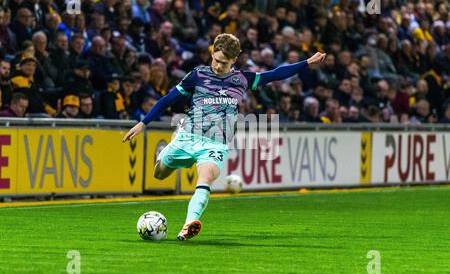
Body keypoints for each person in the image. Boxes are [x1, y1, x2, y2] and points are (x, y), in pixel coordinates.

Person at [122, 33, 326, 240]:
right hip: (188, 137)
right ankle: (167, 151)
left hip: (215, 143)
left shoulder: (242, 79)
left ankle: (188, 225)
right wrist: (143, 123)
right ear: (212, 53)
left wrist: (307, 62)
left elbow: (275, 74)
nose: (218, 66)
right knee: (159, 174)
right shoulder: (197, 75)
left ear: (234, 60)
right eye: (216, 60)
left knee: (206, 178)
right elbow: (167, 99)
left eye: (224, 62)